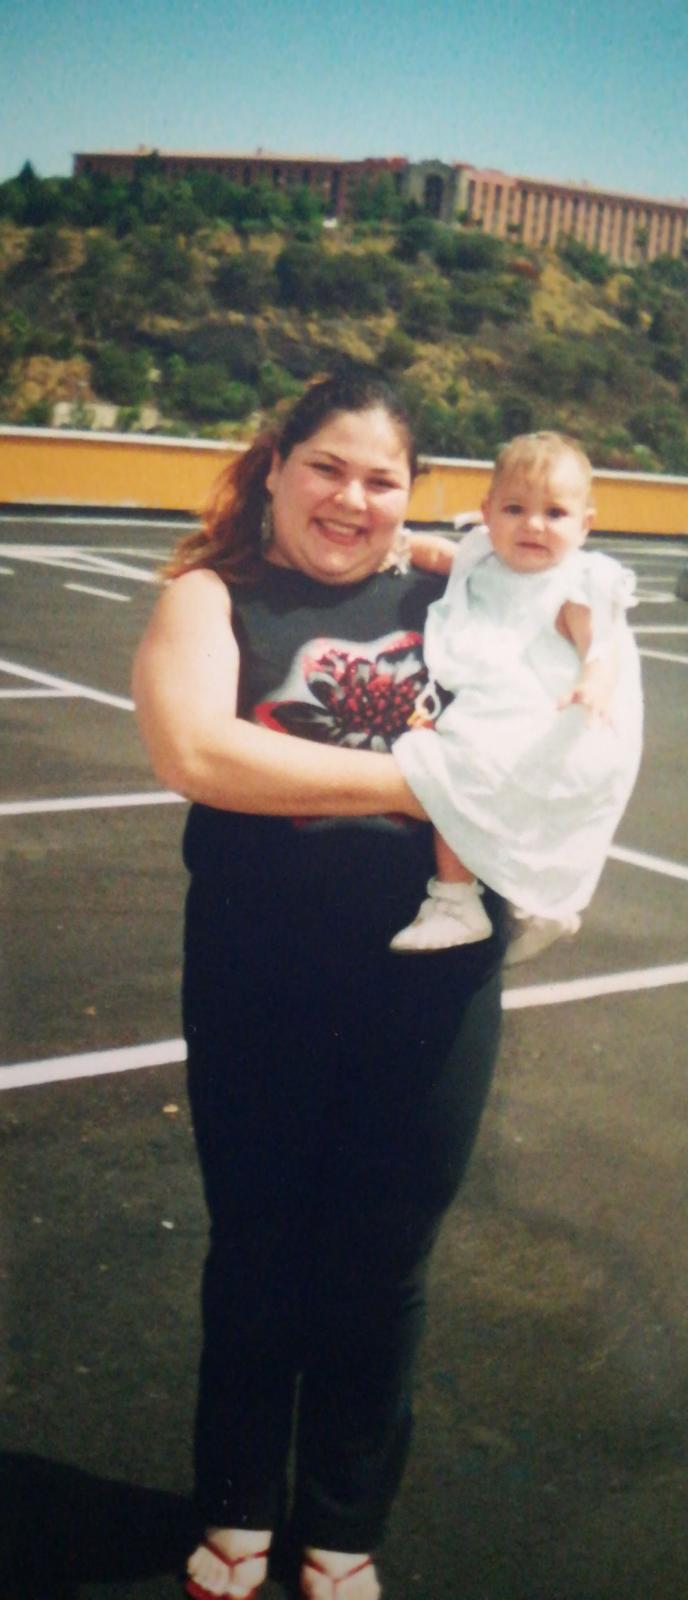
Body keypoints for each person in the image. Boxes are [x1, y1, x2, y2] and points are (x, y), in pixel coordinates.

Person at [132, 373, 506, 1600]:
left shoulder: (455, 595)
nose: (351, 498)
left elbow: (572, 644)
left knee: (383, 1258)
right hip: (260, 976)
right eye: (327, 468)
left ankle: (343, 1520)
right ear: (278, 466)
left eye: (380, 479)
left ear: (412, 492)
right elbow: (197, 748)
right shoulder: (214, 594)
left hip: (434, 982)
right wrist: (426, 781)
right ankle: (238, 1501)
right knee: (259, 1244)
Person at [389, 432, 643, 964]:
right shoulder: (484, 558)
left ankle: (457, 900)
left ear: (585, 525)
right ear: (487, 513)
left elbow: (600, 647)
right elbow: (444, 556)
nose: (533, 525)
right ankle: (535, 906)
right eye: (515, 509)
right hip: (498, 711)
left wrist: (595, 683)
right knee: (473, 786)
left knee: (445, 770)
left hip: (547, 720)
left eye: (555, 513)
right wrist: (399, 543)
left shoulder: (577, 585)